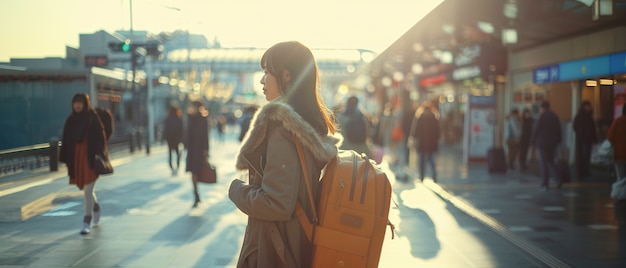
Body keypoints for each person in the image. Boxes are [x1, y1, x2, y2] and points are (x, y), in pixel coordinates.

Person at [228, 41, 338, 268]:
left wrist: (237, 190)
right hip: (294, 243)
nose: (261, 80)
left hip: (276, 250)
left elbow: (276, 203)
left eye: (267, 72)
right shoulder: (309, 125)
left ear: (286, 75)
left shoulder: (282, 130)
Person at [59, 93, 107, 235]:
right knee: (86, 191)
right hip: (78, 159)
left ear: (85, 103)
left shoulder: (92, 118)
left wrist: (99, 153)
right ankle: (96, 206)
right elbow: (66, 140)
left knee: (87, 191)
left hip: (91, 159)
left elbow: (101, 138)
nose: (77, 105)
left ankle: (86, 221)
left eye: (80, 102)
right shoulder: (71, 120)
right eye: (75, 103)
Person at [531, 101, 562, 190]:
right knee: (551, 161)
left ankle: (545, 183)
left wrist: (533, 141)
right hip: (553, 143)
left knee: (544, 163)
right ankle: (558, 178)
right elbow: (559, 130)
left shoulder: (542, 117)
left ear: (543, 108)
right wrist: (559, 141)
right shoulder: (555, 116)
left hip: (543, 143)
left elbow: (537, 129)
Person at [185, 100, 209, 208]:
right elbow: (186, 134)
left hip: (199, 150)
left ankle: (197, 194)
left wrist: (206, 150)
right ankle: (196, 194)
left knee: (198, 172)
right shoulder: (189, 118)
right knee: (193, 173)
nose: (192, 109)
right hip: (191, 151)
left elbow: (205, 136)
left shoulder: (203, 120)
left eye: (193, 107)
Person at [409, 103, 441, 182]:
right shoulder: (434, 117)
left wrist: (413, 137)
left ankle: (422, 175)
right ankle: (433, 175)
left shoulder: (420, 117)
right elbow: (438, 132)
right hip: (431, 144)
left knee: (422, 160)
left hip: (422, 143)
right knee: (431, 160)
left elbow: (415, 129)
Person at [573, 101, 598, 179]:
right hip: (583, 140)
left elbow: (593, 129)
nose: (589, 107)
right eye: (587, 106)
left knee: (587, 155)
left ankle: (585, 171)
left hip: (586, 139)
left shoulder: (588, 117)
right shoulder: (582, 117)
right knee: (584, 155)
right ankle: (583, 171)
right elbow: (575, 127)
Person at [163, 106, 183, 176]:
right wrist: (181, 139)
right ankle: (177, 167)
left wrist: (165, 138)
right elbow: (181, 130)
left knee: (170, 154)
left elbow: (165, 130)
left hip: (170, 139)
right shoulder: (178, 119)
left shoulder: (167, 119)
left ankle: (171, 167)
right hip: (176, 139)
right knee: (177, 154)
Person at [608, 106, 626, 180]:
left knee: (621, 177)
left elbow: (610, 136)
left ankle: (621, 191)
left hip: (619, 155)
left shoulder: (618, 121)